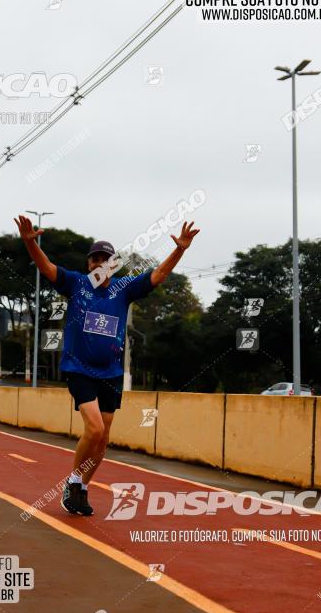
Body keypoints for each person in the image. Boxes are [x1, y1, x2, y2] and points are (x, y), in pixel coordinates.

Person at [15, 214, 200, 517]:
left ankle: (83, 488)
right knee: (95, 427)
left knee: (104, 436)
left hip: (111, 373)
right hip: (78, 368)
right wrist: (30, 244)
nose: (99, 263)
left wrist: (180, 249)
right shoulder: (76, 284)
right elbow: (46, 268)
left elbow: (158, 276)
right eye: (94, 259)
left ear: (113, 264)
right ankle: (73, 480)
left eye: (106, 259)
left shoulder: (124, 289)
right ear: (89, 264)